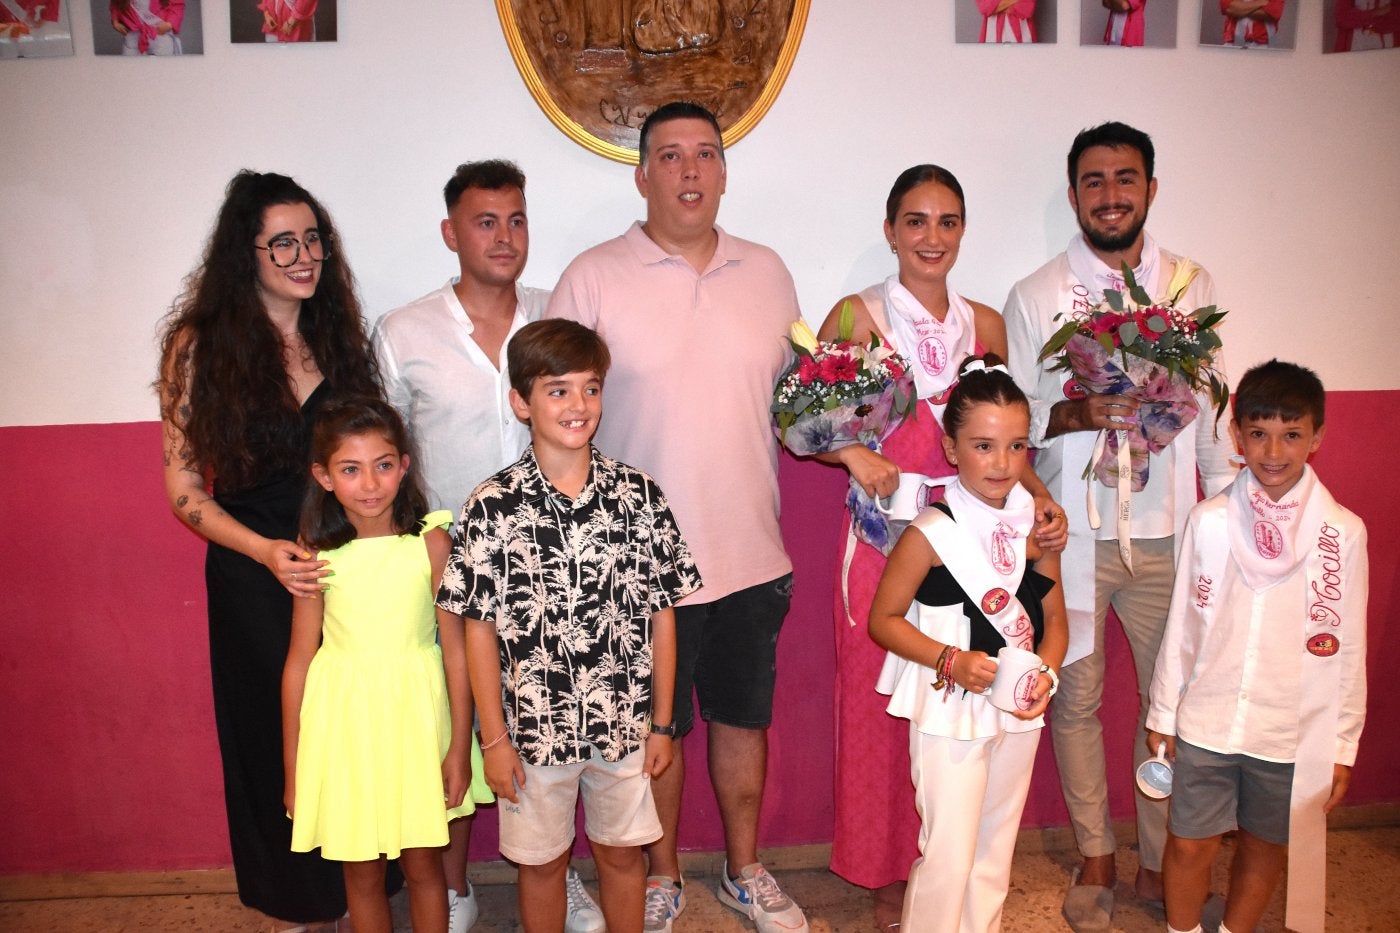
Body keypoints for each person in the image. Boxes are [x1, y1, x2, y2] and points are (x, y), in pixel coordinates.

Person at [546, 100, 808, 933]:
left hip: (751, 552)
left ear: (724, 171)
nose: (690, 170)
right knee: (650, 731)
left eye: (705, 154)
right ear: (641, 175)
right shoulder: (592, 276)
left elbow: (798, 407)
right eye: (670, 155)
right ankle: (661, 876)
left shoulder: (769, 272)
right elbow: (554, 412)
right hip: (634, 567)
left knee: (742, 719)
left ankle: (743, 868)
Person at [1001, 122, 1237, 932]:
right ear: (1074, 196)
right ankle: (1096, 853)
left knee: (1172, 700)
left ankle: (1158, 860)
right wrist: (1079, 410)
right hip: (1073, 533)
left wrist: (1226, 515)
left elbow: (1211, 408)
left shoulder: (1189, 285)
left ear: (1150, 189)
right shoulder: (1036, 293)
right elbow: (1017, 419)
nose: (1111, 195)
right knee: (1077, 696)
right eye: (1094, 181)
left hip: (1169, 529)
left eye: (1125, 178)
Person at [822, 164, 1066, 928]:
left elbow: (1005, 430)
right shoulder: (855, 316)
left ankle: (948, 875)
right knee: (885, 710)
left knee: (966, 703)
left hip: (979, 538)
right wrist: (853, 455)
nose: (933, 237)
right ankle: (891, 877)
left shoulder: (984, 323)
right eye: (916, 221)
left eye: (948, 221)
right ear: (890, 230)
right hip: (888, 539)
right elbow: (808, 419)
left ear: (963, 230)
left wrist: (1041, 496)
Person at [374, 159, 604, 933]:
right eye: (485, 222)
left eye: (516, 220)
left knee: (552, 721)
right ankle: (454, 881)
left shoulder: (554, 313)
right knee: (452, 720)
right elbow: (385, 449)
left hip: (553, 566)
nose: (504, 236)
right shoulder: (404, 332)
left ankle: (558, 874)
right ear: (451, 232)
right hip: (451, 568)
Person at [157, 171, 383, 930]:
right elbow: (184, 486)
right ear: (244, 253)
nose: (303, 255)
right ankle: (294, 907)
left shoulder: (339, 337)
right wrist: (263, 551)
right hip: (254, 576)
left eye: (312, 238)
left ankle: (358, 897)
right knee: (269, 739)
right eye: (282, 242)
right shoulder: (198, 346)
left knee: (352, 730)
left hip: (343, 570)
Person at [437, 319, 701, 933]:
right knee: (541, 865)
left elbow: (663, 615)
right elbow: (478, 630)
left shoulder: (640, 497)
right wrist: (492, 741)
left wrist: (663, 724)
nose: (578, 405)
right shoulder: (492, 505)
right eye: (557, 390)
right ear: (521, 402)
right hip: (531, 733)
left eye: (590, 388)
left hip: (624, 725)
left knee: (622, 855)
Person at [1146, 360, 1368, 933]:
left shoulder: (1341, 533)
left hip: (1288, 728)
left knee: (1264, 846)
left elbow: (1348, 647)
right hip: (1209, 717)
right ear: (1237, 436)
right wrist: (1164, 711)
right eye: (1259, 433)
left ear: (1316, 437)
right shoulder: (1210, 520)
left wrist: (1341, 743)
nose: (1273, 451)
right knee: (1188, 842)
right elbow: (1183, 624)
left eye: (1291, 434)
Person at [868, 354, 1068, 932]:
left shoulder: (1037, 528)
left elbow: (1055, 620)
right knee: (949, 854)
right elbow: (884, 619)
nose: (1001, 463)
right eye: (983, 446)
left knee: (995, 848)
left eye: (1016, 446)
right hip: (950, 706)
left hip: (1019, 707)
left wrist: (1047, 675)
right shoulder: (931, 532)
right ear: (952, 450)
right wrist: (949, 659)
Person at [283, 398, 491, 933]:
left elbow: (457, 653)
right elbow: (300, 661)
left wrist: (459, 747)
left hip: (416, 723)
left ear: (403, 466)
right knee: (361, 872)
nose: (370, 483)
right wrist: (294, 766)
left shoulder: (431, 543)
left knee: (424, 867)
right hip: (344, 727)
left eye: (382, 465)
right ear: (324, 477)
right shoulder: (316, 553)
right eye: (350, 469)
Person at [110, 0, 183, 55]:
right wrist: (115, 20)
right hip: (133, 34)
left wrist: (170, 23)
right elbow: (116, 3)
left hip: (159, 33)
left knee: (161, 68)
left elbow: (177, 4)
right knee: (130, 67)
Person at [1333, 0, 1397, 52]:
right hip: (1353, 48)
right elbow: (1342, 18)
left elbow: (1396, 18)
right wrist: (1376, 13)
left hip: (1389, 49)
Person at [1220, 0, 1285, 48]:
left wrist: (1239, 9)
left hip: (1263, 45)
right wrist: (1262, 2)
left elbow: (1274, 13)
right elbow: (1227, 8)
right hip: (1233, 44)